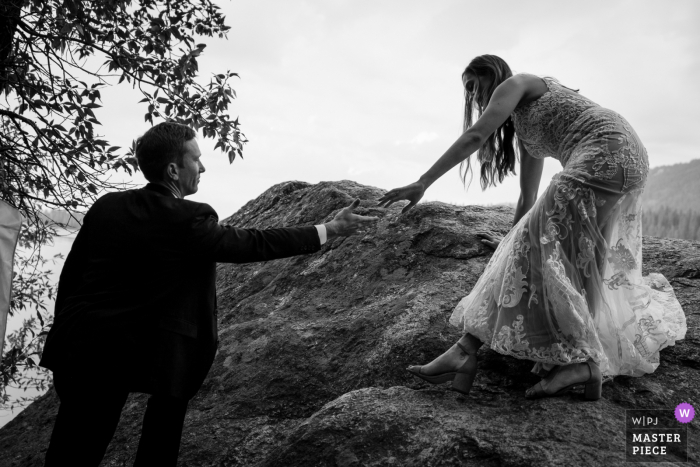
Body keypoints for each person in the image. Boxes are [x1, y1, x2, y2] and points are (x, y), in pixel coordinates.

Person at [40, 122, 378, 466]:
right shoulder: (189, 218)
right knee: (157, 447)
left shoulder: (107, 206)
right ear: (173, 169)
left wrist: (65, 332)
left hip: (84, 347)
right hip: (157, 356)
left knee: (71, 453)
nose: (202, 167)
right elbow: (252, 244)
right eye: (196, 159)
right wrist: (331, 229)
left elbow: (73, 276)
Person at [378, 54, 686, 400]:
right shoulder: (527, 128)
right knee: (581, 259)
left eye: (472, 86)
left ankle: (468, 352)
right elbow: (527, 197)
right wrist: (511, 239)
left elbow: (476, 135)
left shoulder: (519, 82)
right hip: (627, 156)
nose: (472, 97)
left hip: (605, 149)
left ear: (491, 74)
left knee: (539, 248)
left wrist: (423, 182)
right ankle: (583, 362)